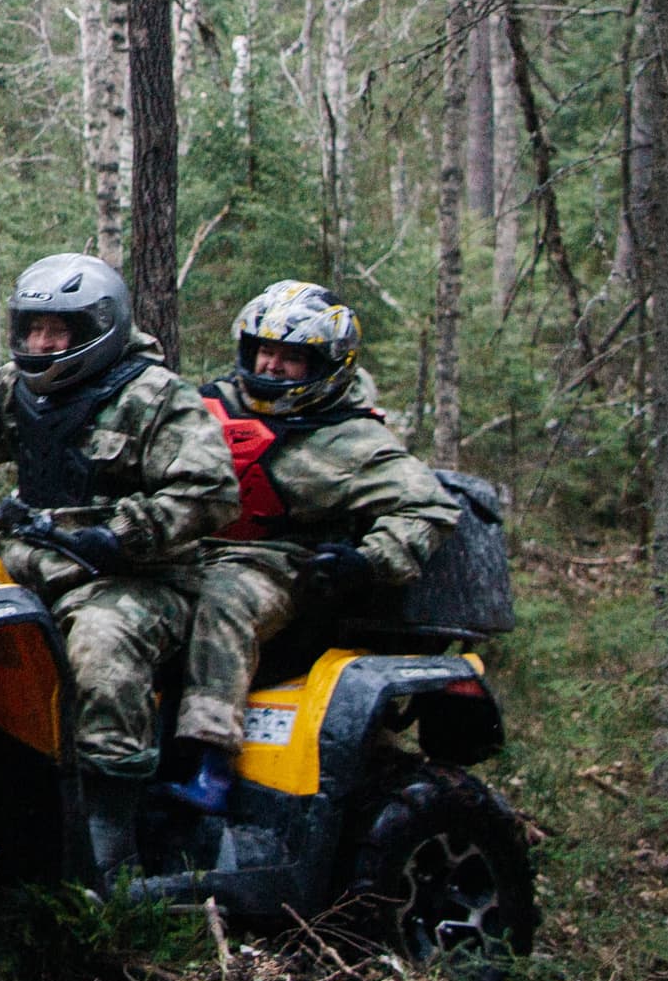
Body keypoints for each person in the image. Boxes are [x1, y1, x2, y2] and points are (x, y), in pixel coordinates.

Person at [0, 253, 236, 877]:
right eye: (32, 329)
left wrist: (123, 534)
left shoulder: (156, 397)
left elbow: (209, 492)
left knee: (102, 648)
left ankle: (112, 841)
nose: (42, 342)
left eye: (58, 331)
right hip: (34, 558)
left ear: (96, 330)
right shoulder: (21, 388)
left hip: (136, 579)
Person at [163, 282, 466, 813]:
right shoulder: (206, 406)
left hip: (280, 566)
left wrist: (368, 561)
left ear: (324, 364)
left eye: (291, 357)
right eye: (265, 350)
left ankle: (209, 761)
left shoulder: (353, 441)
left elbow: (430, 508)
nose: (273, 366)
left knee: (223, 599)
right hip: (186, 548)